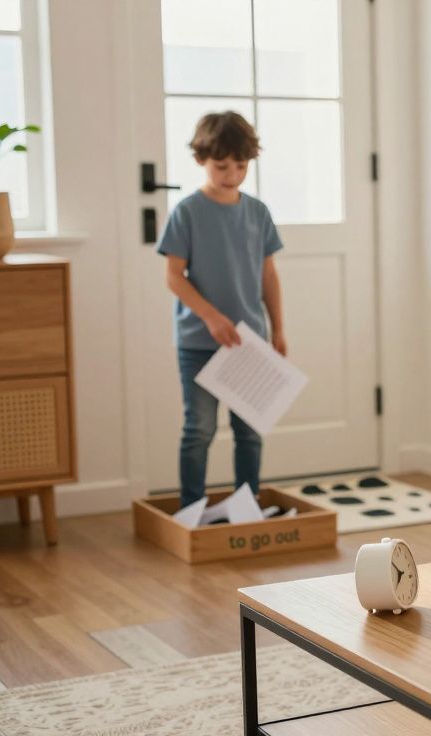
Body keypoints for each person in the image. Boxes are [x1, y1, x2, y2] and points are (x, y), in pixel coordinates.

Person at [158, 111, 284, 508]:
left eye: (241, 166)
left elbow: (268, 275)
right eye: (222, 166)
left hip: (248, 341)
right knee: (199, 429)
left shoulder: (258, 212)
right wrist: (211, 317)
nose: (232, 175)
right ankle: (191, 509)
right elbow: (174, 276)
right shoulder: (187, 211)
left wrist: (278, 329)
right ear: (201, 160)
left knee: (250, 432)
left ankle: (247, 507)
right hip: (198, 341)